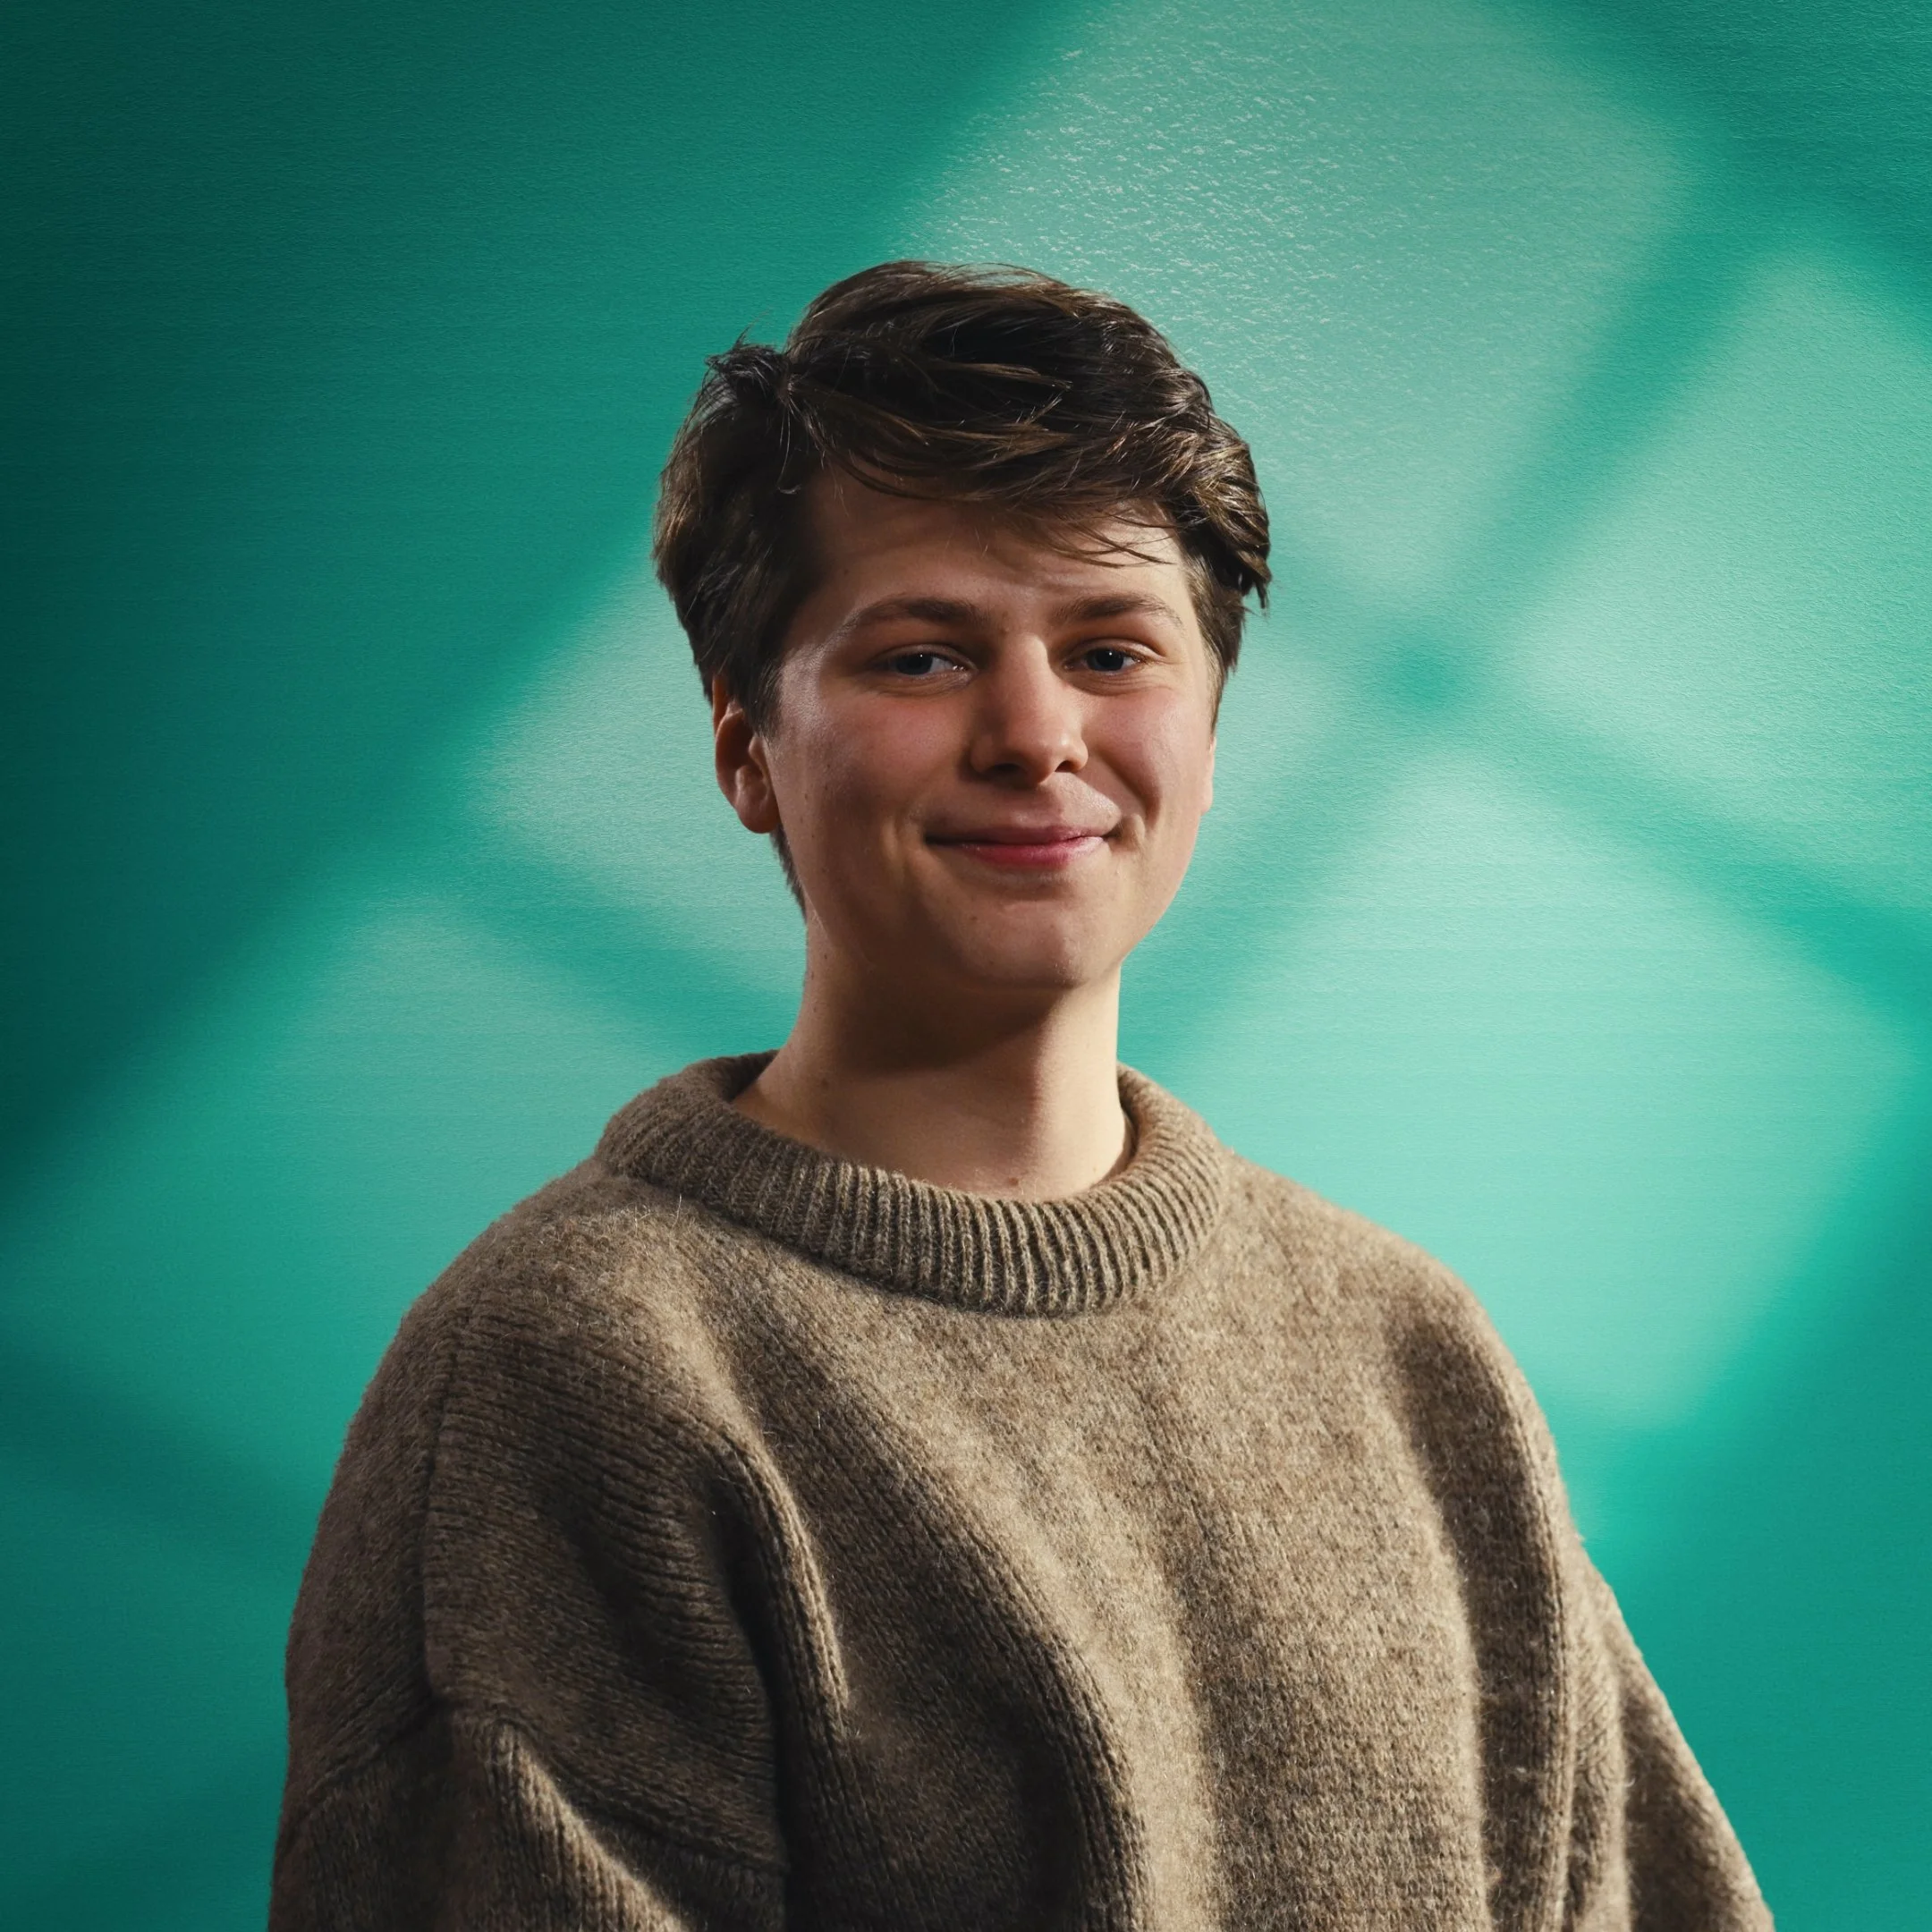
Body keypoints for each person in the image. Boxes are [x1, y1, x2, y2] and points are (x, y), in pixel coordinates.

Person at [269, 261, 1770, 1929]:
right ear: (746, 747)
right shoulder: (580, 1374)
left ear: (1209, 728)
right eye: (920, 657)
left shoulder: (1406, 1348)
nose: (1036, 733)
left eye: (1114, 648)